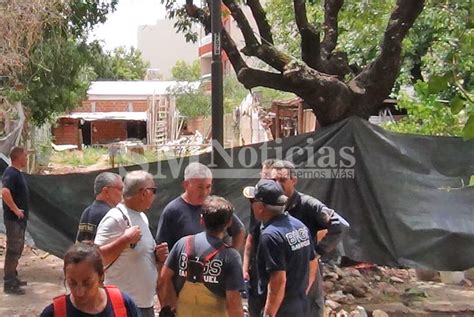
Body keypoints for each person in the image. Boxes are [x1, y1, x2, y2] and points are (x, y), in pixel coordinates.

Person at [271, 160, 350, 317]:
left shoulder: (308, 205)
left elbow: (340, 225)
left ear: (294, 180)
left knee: (309, 309)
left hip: (306, 270)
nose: (277, 185)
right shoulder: (269, 205)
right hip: (280, 269)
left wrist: (317, 252)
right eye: (273, 180)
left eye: (282, 180)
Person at [94, 170, 168, 317]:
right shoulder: (115, 218)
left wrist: (157, 255)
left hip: (144, 304)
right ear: (144, 192)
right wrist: (125, 240)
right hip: (122, 306)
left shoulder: (141, 216)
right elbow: (96, 258)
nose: (154, 195)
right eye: (154, 190)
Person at [159, 196, 244, 317]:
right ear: (229, 222)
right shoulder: (230, 256)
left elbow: (163, 279)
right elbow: (234, 302)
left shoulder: (182, 243)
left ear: (202, 220)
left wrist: (170, 307)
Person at [243, 179, 317, 317]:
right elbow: (312, 262)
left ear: (260, 207)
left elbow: (278, 280)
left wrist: (269, 314)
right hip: (299, 305)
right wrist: (300, 293)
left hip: (280, 309)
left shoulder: (270, 236)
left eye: (252, 201)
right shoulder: (299, 226)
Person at [156, 162, 245, 251]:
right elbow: (162, 247)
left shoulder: (215, 206)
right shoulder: (172, 211)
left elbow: (239, 230)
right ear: (186, 185)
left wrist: (231, 254)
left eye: (208, 187)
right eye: (200, 187)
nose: (205, 192)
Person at [40, 242, 141, 316]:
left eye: (87, 283)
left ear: (101, 276)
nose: (80, 292)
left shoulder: (122, 304)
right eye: (72, 283)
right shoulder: (55, 313)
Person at [242, 159, 274, 317]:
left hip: (274, 265)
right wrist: (245, 265)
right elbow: (251, 235)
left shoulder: (284, 206)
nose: (265, 180)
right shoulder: (256, 201)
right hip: (256, 265)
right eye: (264, 176)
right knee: (254, 306)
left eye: (270, 178)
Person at [2, 146, 29, 295]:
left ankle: (13, 276)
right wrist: (15, 209)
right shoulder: (11, 173)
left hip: (18, 221)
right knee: (13, 250)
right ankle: (9, 283)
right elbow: (5, 191)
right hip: (13, 220)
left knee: (17, 249)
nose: (26, 158)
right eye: (25, 155)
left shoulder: (17, 173)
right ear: (18, 157)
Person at [76, 172, 123, 242]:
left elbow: (78, 243)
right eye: (120, 189)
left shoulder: (87, 211)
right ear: (106, 191)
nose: (123, 193)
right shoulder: (111, 215)